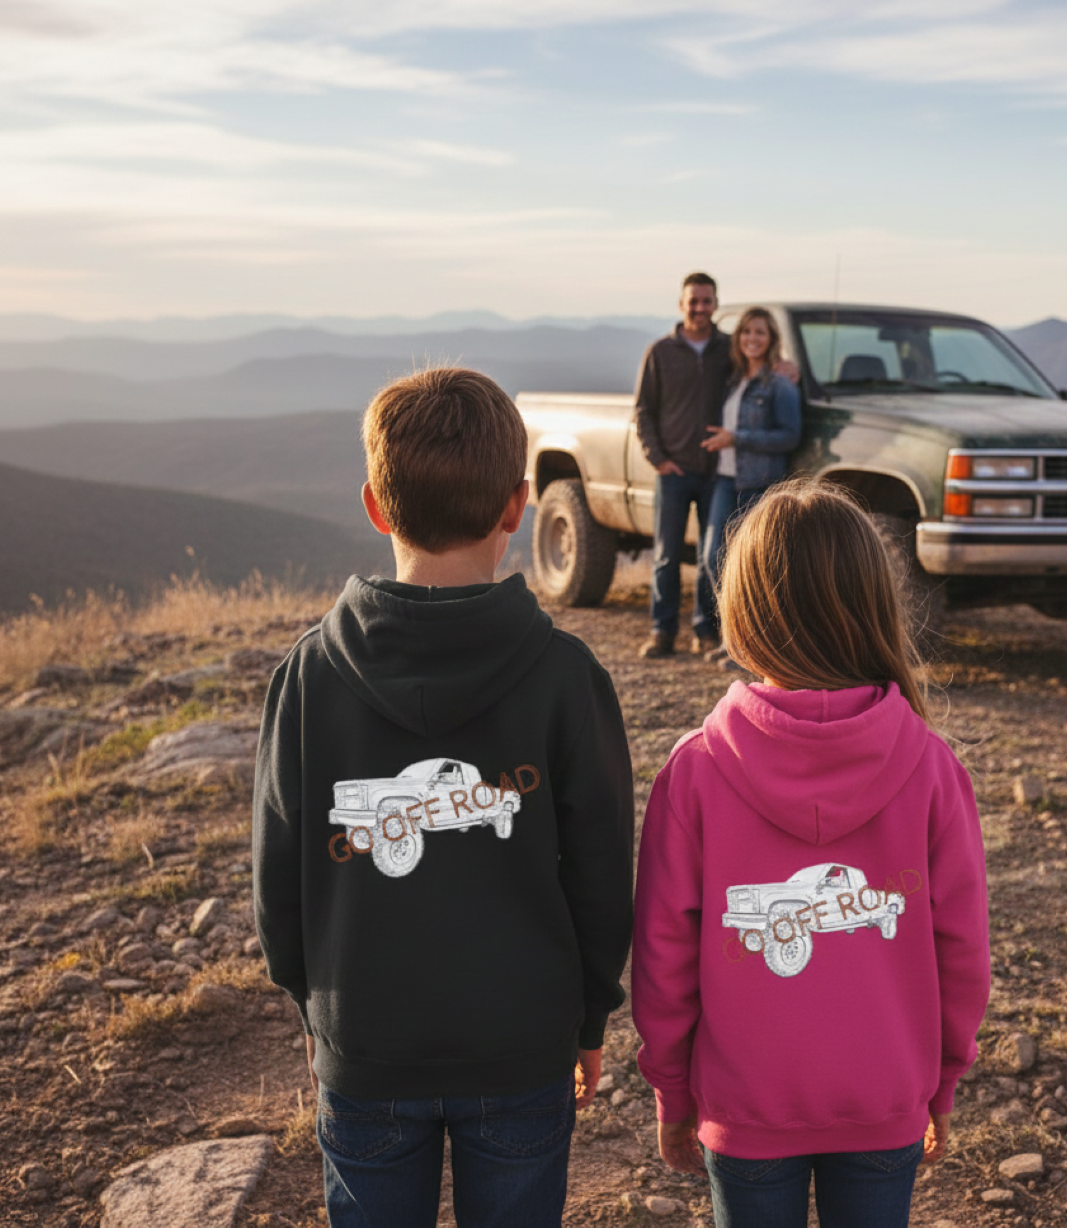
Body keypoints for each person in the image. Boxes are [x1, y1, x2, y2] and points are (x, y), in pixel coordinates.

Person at [253, 367, 635, 1228]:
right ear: (518, 506)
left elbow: (277, 876)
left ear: (376, 507)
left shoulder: (309, 676)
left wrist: (310, 1006)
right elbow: (605, 872)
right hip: (523, 1047)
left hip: (367, 1045)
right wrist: (591, 1012)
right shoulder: (568, 679)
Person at [631, 480, 990, 1228]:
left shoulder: (695, 771)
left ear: (744, 611)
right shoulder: (930, 766)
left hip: (745, 1102)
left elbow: (663, 956)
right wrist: (942, 1079)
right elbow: (964, 951)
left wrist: (672, 1088)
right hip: (886, 1098)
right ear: (871, 606)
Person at [633, 271, 731, 659]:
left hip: (716, 471)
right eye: (693, 301)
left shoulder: (730, 350)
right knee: (667, 555)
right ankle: (662, 630)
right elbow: (643, 409)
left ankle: (705, 630)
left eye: (706, 301)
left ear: (716, 304)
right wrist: (657, 458)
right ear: (681, 304)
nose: (700, 308)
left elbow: (761, 368)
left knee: (711, 556)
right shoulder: (660, 352)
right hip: (672, 471)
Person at [699, 305, 802, 668]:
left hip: (758, 484)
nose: (752, 339)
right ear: (738, 338)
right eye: (747, 332)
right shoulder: (734, 380)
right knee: (713, 557)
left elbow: (789, 436)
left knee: (752, 566)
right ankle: (733, 639)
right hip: (725, 479)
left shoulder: (779, 384)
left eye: (760, 333)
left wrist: (736, 438)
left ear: (771, 339)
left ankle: (751, 651)